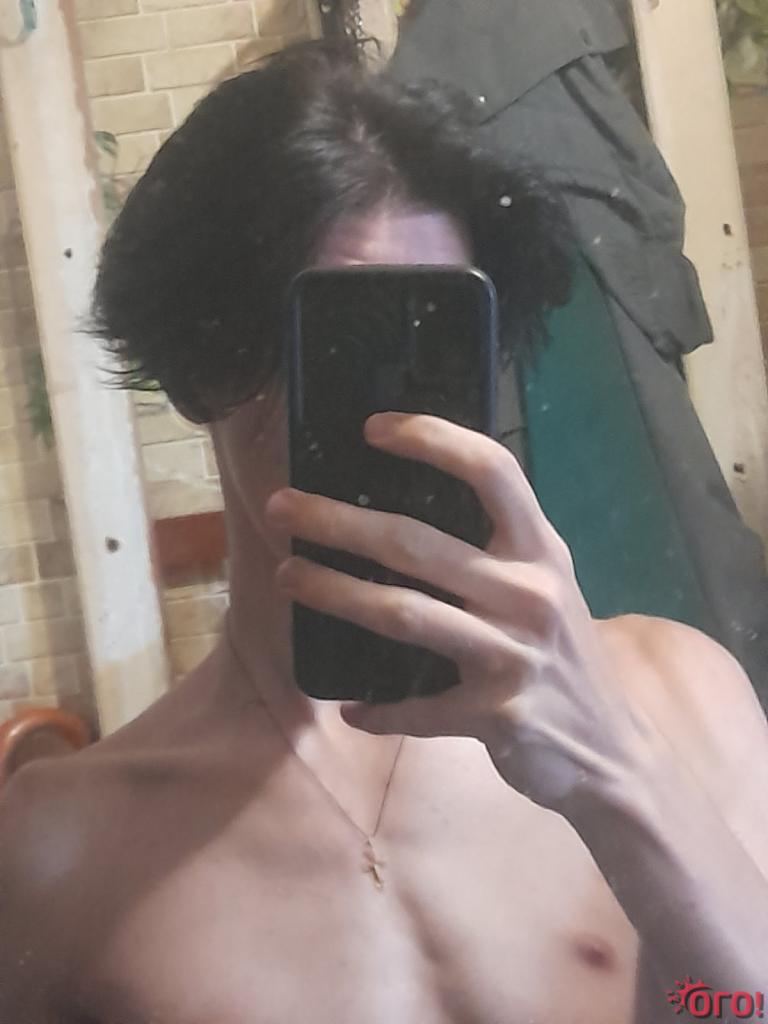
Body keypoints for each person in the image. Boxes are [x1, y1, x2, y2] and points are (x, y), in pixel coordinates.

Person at [2, 41, 768, 1024]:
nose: (388, 409)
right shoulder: (59, 847)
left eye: (429, 337)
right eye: (340, 342)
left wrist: (616, 772)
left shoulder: (682, 702)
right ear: (199, 369)